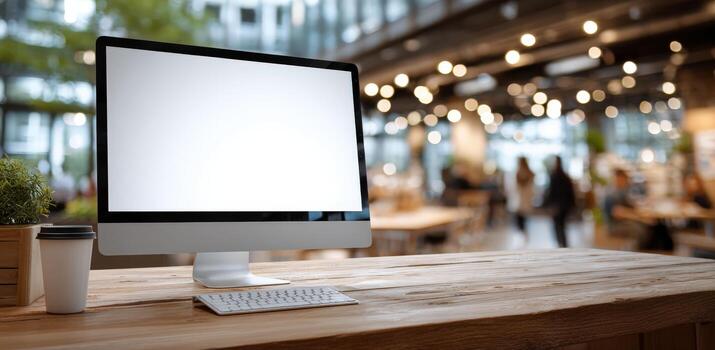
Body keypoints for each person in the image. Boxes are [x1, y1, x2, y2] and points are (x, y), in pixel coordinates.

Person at [542, 156, 576, 247]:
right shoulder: (566, 176)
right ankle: (563, 244)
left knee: (557, 226)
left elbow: (551, 192)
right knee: (562, 226)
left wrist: (548, 204)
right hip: (565, 206)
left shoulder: (554, 176)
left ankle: (561, 244)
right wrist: (572, 205)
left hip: (557, 206)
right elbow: (571, 193)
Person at [509, 157, 534, 237]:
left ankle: (522, 233)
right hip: (523, 199)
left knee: (519, 219)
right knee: (522, 219)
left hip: (520, 199)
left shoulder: (518, 173)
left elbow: (515, 187)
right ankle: (523, 233)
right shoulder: (530, 173)